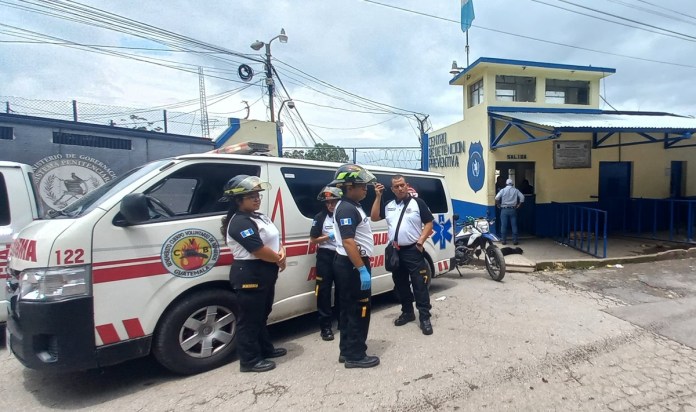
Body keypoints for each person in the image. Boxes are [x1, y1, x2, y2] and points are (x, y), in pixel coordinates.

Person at [220, 175, 287, 373]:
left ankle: (265, 349)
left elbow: (273, 239)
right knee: (249, 319)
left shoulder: (258, 216)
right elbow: (257, 249)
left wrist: (281, 252)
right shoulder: (239, 222)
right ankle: (249, 360)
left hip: (265, 270)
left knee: (262, 314)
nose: (257, 199)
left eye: (258, 195)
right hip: (250, 273)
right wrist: (277, 258)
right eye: (251, 196)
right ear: (238, 200)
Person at [371, 175, 435, 335]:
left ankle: (425, 317)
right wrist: (378, 197)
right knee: (400, 285)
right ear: (392, 189)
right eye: (396, 187)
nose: (400, 189)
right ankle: (407, 312)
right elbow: (374, 217)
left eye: (402, 185)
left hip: (413, 250)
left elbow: (429, 223)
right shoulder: (389, 205)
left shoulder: (417, 203)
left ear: (407, 186)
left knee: (419, 285)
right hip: (395, 251)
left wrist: (420, 241)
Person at [330, 164, 380, 369]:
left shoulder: (352, 206)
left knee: (349, 309)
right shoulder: (347, 208)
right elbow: (349, 242)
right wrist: (361, 269)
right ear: (349, 187)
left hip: (350, 264)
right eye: (362, 185)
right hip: (352, 266)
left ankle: (347, 350)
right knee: (359, 309)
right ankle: (355, 355)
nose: (365, 189)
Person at [309, 186, 343, 341]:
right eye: (328, 202)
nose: (330, 205)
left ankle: (342, 321)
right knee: (323, 292)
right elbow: (314, 239)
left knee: (342, 290)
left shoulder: (343, 214)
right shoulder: (320, 217)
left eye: (333, 201)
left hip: (341, 255)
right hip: (325, 256)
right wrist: (329, 236)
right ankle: (325, 327)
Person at [495, 178, 525, 245]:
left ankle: (503, 240)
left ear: (506, 184)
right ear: (512, 184)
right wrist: (519, 205)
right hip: (513, 209)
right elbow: (522, 197)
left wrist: (498, 204)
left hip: (504, 209)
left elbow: (496, 197)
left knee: (503, 225)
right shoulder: (516, 190)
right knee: (514, 225)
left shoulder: (503, 190)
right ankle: (515, 241)